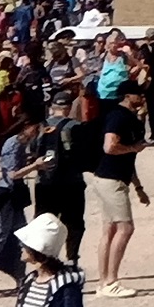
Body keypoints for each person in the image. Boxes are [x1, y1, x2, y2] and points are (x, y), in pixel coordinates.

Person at [88, 81, 148, 297]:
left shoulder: (129, 117)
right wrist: (133, 147)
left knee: (110, 229)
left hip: (110, 178)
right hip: (110, 180)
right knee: (125, 228)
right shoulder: (118, 116)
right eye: (138, 93)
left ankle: (104, 281)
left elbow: (129, 160)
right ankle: (111, 280)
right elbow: (109, 146)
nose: (142, 96)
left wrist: (138, 187)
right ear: (128, 95)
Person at [0, 113, 46, 293]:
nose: (37, 132)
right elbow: (12, 174)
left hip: (15, 196)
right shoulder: (13, 143)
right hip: (4, 195)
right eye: (36, 128)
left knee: (20, 236)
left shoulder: (22, 145)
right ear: (27, 126)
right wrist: (35, 166)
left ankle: (20, 277)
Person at [7, 213, 85, 307]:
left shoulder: (66, 289)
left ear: (35, 249)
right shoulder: (29, 282)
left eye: (24, 244)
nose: (20, 247)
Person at [34, 91, 87, 262]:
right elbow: (83, 155)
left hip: (44, 182)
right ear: (69, 108)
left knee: (44, 223)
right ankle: (72, 258)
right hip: (72, 182)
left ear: (53, 107)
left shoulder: (41, 127)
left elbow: (32, 151)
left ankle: (43, 260)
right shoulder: (75, 126)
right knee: (74, 223)